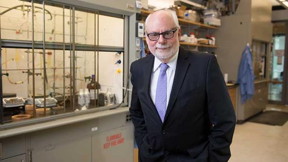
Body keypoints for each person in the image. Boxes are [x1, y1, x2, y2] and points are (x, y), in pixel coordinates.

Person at [129, 9, 236, 162]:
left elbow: (225, 119)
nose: (161, 41)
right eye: (153, 35)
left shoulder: (204, 65)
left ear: (178, 33)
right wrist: (144, 144)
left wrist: (214, 158)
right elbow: (137, 111)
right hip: (151, 157)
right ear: (146, 37)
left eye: (167, 33)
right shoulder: (138, 68)